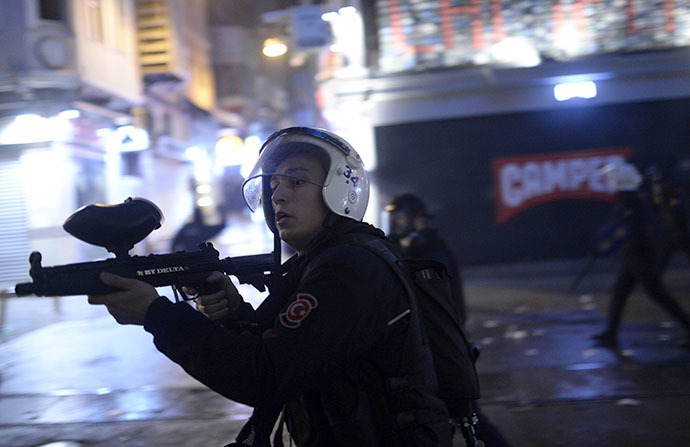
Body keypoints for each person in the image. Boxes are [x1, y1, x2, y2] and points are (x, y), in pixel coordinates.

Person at [87, 127, 452, 446]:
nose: (277, 195)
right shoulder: (323, 259)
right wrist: (233, 313)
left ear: (339, 189)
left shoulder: (348, 268)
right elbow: (280, 349)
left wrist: (158, 315)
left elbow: (266, 376)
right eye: (273, 183)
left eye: (295, 181)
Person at [386, 193, 513, 447]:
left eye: (403, 218)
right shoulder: (397, 249)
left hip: (443, 346)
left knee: (469, 419)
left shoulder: (435, 252)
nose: (399, 224)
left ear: (419, 220)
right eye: (395, 218)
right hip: (420, 348)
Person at [591, 162, 690, 348]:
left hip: (640, 257)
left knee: (659, 296)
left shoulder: (632, 200)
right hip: (634, 256)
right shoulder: (629, 198)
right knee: (620, 294)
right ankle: (611, 333)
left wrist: (604, 247)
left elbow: (626, 231)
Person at [385, 193, 466, 324]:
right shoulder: (393, 248)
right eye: (392, 217)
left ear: (419, 220)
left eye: (400, 217)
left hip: (437, 331)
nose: (395, 222)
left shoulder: (436, 252)